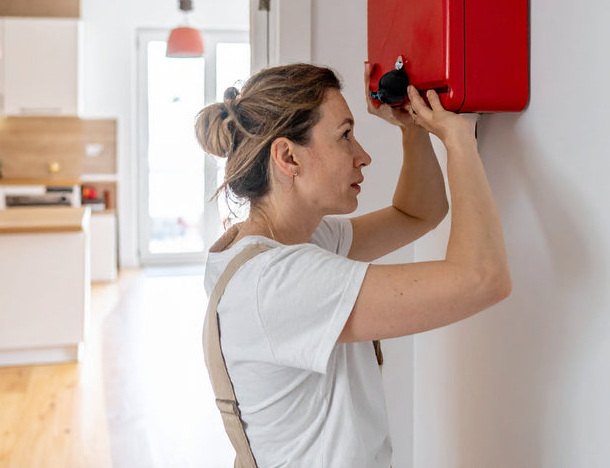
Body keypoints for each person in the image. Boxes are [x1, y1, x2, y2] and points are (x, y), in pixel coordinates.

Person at [196, 62, 511, 468]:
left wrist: (412, 130)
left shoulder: (276, 248)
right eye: (345, 135)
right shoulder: (277, 283)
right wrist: (458, 140)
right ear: (288, 156)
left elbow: (419, 212)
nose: (363, 156)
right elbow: (483, 278)